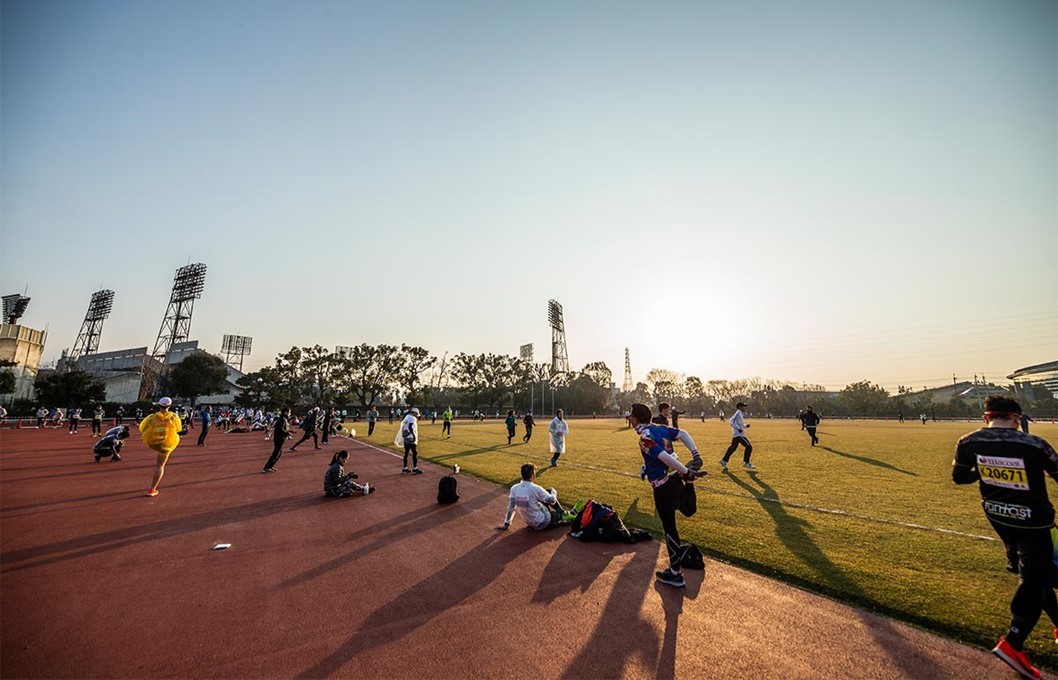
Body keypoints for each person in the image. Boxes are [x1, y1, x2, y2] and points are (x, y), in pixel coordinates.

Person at [953, 395, 1058, 680]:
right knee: (1037, 577)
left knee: (1036, 573)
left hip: (998, 518)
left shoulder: (968, 442)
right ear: (1017, 417)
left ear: (986, 417)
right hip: (1034, 522)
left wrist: (986, 470)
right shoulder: (1034, 444)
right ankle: (1014, 642)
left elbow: (960, 478)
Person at [628, 403, 704, 588]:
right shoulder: (660, 428)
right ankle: (690, 484)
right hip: (675, 480)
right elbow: (683, 433)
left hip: (663, 488)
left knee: (670, 528)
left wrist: (686, 471)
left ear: (636, 419)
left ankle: (675, 573)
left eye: (631, 416)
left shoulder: (644, 438)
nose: (629, 418)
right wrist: (695, 455)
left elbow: (662, 456)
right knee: (688, 510)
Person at [497, 463, 573, 531]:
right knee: (550, 493)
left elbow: (511, 507)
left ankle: (562, 513)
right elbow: (552, 500)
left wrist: (506, 524)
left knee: (542, 497)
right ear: (532, 474)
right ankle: (563, 515)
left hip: (529, 522)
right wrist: (554, 492)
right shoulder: (536, 488)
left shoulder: (514, 488)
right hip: (542, 522)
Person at [139, 397, 183, 497]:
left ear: (159, 405)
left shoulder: (152, 417)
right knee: (160, 466)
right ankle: (152, 489)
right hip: (166, 444)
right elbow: (178, 428)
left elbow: (142, 427)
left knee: (158, 456)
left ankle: (153, 488)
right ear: (170, 406)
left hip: (153, 442)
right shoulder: (174, 417)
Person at [720, 402, 754, 470]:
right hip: (739, 434)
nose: (745, 408)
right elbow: (731, 421)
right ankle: (746, 463)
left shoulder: (740, 414)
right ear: (740, 407)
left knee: (733, 448)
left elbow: (739, 425)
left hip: (737, 434)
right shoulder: (738, 413)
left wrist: (745, 426)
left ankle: (724, 460)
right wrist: (738, 428)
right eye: (743, 406)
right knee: (749, 446)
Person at [262, 407, 292, 472]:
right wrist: (287, 432)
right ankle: (267, 467)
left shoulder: (284, 419)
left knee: (279, 453)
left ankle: (270, 466)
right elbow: (279, 429)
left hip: (281, 438)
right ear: (285, 412)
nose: (290, 414)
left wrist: (289, 431)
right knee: (276, 453)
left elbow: (283, 428)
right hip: (279, 439)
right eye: (289, 412)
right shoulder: (282, 420)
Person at [396, 408, 422, 474]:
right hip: (410, 437)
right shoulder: (412, 418)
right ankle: (415, 468)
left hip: (405, 437)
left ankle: (405, 468)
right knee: (414, 453)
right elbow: (410, 427)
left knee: (406, 453)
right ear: (414, 413)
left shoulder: (407, 417)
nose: (416, 416)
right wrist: (413, 435)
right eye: (416, 414)